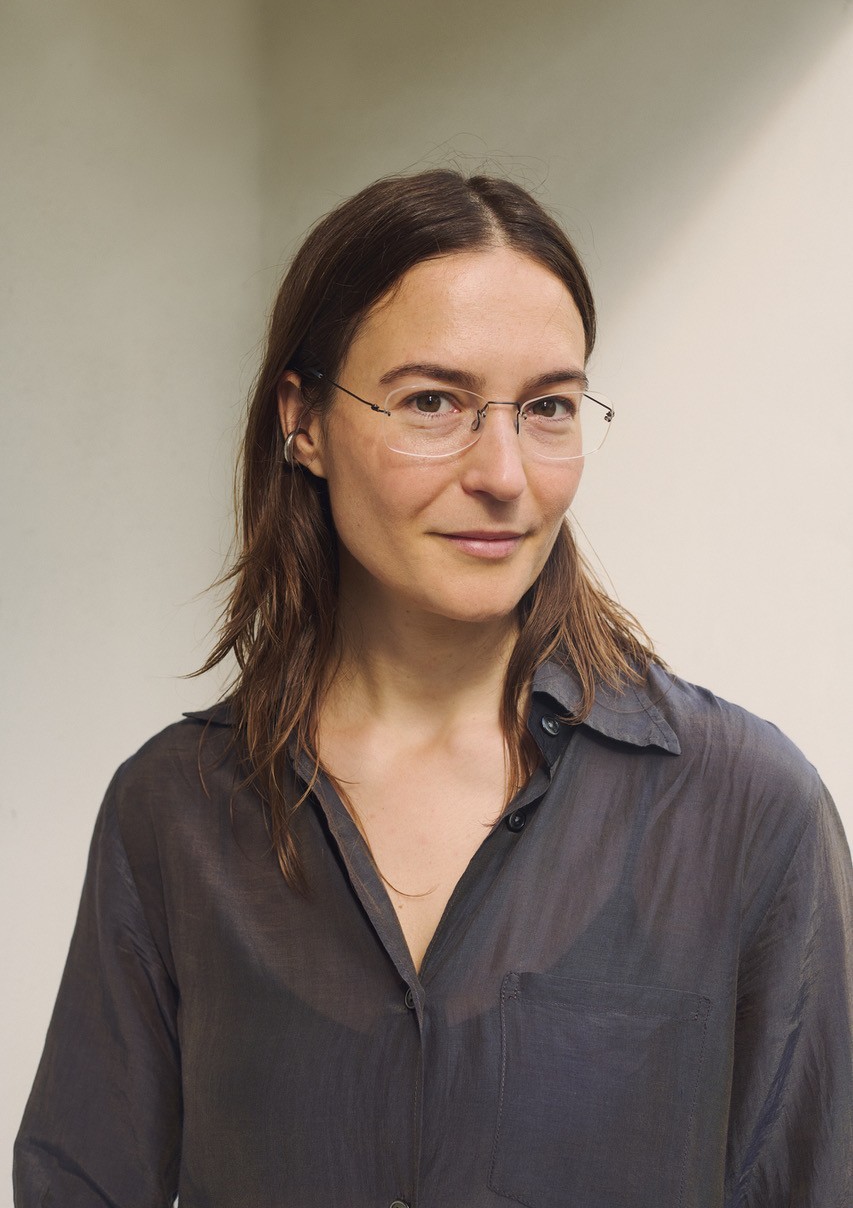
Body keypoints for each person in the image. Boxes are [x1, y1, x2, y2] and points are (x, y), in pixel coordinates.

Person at [14, 170, 852, 1207]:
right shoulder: (173, 813)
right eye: (431, 401)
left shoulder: (744, 808)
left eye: (546, 406)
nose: (504, 470)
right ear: (304, 421)